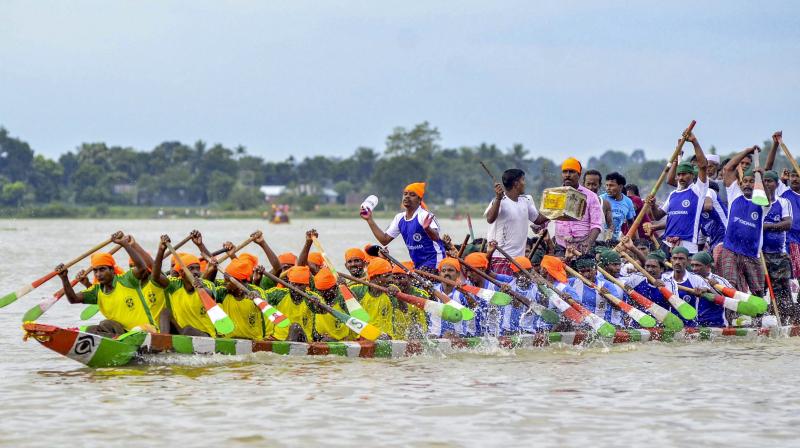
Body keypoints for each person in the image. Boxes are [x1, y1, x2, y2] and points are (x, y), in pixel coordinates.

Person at [55, 231, 155, 338]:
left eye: (102, 269)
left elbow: (142, 268)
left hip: (146, 330)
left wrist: (125, 244)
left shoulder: (127, 280)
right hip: (122, 333)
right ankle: (114, 342)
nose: (98, 274)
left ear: (112, 270)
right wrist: (64, 278)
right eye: (95, 271)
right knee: (92, 328)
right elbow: (73, 299)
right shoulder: (96, 291)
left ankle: (116, 341)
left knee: (115, 326)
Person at [361, 182, 446, 270]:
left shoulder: (424, 215)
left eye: (412, 195)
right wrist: (369, 220)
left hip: (436, 261)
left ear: (419, 200)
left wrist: (427, 228)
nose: (407, 197)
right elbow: (384, 240)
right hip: (418, 264)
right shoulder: (399, 218)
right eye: (405, 194)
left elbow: (436, 237)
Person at [648, 132, 709, 253]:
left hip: (688, 245)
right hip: (667, 244)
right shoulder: (673, 194)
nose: (681, 177)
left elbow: (703, 166)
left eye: (684, 174)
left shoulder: (698, 190)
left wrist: (694, 142)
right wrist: (653, 205)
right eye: (679, 174)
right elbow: (657, 215)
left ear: (692, 175)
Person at [484, 168, 547, 275]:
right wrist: (498, 199)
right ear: (516, 183)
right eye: (523, 180)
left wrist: (557, 211)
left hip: (519, 260)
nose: (525, 183)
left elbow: (538, 220)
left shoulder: (525, 200)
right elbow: (490, 219)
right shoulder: (499, 201)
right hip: (500, 258)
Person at [766, 131, 800, 280]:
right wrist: (774, 145)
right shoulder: (784, 191)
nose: (795, 179)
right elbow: (768, 169)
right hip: (789, 240)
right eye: (793, 176)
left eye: (798, 176)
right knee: (791, 277)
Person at [760, 170, 793, 322]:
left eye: (770, 181)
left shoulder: (783, 202)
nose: (767, 184)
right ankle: (761, 320)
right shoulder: (757, 204)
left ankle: (784, 320)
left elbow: (787, 224)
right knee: (760, 289)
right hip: (760, 255)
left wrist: (767, 226)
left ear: (776, 184)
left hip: (779, 255)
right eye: (764, 181)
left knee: (782, 291)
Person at [554, 157, 604, 253]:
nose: (567, 175)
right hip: (561, 246)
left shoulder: (591, 196)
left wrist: (588, 242)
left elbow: (596, 225)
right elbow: (547, 217)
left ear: (579, 175)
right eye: (565, 172)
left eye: (571, 172)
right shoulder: (555, 194)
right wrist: (539, 226)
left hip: (583, 246)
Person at [214, 259, 266, 340]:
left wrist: (258, 299)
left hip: (254, 341)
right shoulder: (222, 292)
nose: (224, 283)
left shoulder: (257, 291)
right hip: (229, 341)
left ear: (239, 281)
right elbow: (206, 293)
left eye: (227, 281)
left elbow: (266, 306)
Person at [263, 266, 318, 342]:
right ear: (289, 283)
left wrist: (317, 304)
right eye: (294, 284)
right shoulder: (279, 294)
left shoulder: (312, 298)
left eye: (300, 285)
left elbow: (322, 311)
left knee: (295, 327)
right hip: (278, 339)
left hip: (303, 340)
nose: (296, 288)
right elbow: (261, 297)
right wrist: (255, 291)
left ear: (306, 285)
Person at [662, 247, 712, 327]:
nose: (677, 262)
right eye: (675, 258)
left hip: (691, 326)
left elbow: (707, 289)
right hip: (668, 326)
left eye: (681, 259)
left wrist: (702, 290)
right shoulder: (663, 278)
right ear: (671, 260)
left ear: (688, 261)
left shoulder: (696, 279)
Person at [349, 258, 396, 338]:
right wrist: (341, 285)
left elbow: (404, 309)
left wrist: (396, 294)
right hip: (362, 336)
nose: (391, 279)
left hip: (386, 338)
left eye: (391, 275)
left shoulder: (392, 291)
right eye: (387, 276)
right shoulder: (357, 290)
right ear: (375, 278)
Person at [311, 268, 353, 341]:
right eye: (321, 291)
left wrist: (346, 288)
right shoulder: (316, 296)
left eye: (327, 291)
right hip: (320, 338)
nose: (324, 294)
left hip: (340, 341)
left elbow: (355, 307)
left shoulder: (341, 298)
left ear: (335, 287)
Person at [599, 172, 636, 242]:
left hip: (617, 241)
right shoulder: (601, 199)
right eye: (606, 185)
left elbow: (631, 223)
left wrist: (636, 240)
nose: (608, 188)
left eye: (611, 185)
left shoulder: (628, 202)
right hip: (600, 240)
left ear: (620, 187)